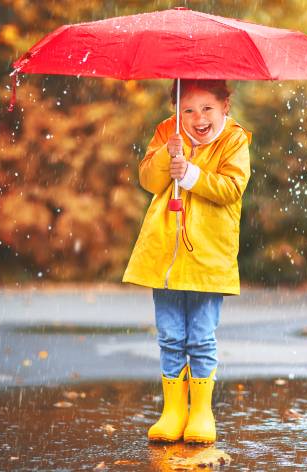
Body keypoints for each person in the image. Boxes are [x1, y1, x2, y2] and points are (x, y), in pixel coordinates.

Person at [122, 79, 251, 443]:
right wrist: (167, 154)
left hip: (208, 255)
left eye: (207, 108)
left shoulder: (235, 140)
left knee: (201, 337)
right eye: (188, 110)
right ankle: (173, 411)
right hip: (166, 252)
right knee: (170, 335)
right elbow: (148, 179)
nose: (198, 118)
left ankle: (201, 411)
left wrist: (191, 174)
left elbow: (231, 188)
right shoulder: (167, 131)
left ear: (225, 105)